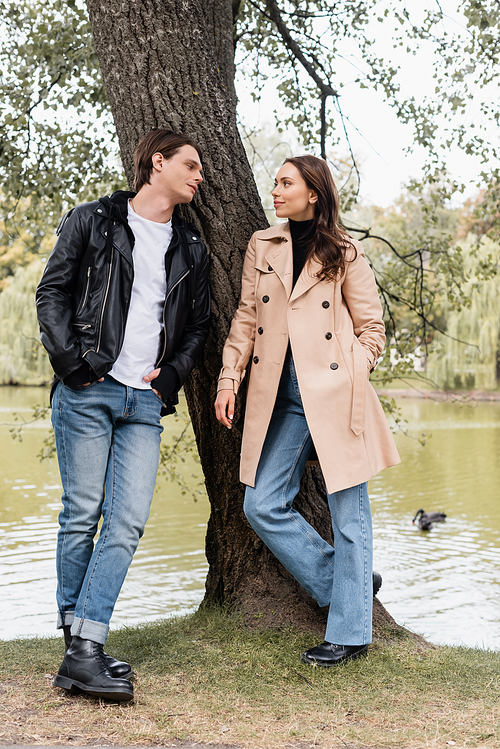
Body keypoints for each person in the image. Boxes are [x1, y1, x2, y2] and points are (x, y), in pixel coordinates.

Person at [36, 130, 210, 700]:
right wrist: (74, 364)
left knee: (128, 521)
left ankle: (82, 650)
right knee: (82, 512)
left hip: (145, 401)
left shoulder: (191, 245)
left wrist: (175, 375)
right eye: (190, 164)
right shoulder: (93, 220)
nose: (199, 175)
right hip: (89, 388)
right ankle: (82, 649)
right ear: (156, 163)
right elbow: (53, 293)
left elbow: (198, 326)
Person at [215, 155, 400, 667]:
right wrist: (229, 378)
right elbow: (246, 319)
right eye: (274, 182)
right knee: (262, 504)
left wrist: (349, 371)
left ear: (313, 193)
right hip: (281, 392)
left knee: (349, 515)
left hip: (337, 391)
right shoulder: (263, 244)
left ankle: (350, 630)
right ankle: (347, 583)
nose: (275, 190)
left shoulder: (345, 252)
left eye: (286, 183)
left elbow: (373, 330)